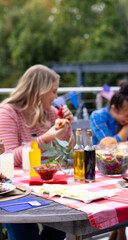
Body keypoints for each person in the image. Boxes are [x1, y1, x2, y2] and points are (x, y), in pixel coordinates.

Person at [0, 64, 72, 240]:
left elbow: (63, 153)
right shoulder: (8, 113)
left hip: (45, 188)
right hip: (13, 192)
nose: (56, 97)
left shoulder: (52, 113)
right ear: (40, 90)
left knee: (65, 221)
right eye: (53, 92)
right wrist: (44, 139)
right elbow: (7, 157)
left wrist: (67, 126)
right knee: (25, 232)